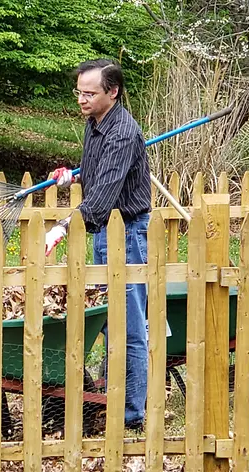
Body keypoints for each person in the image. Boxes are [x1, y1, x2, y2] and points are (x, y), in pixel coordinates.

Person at [44, 59, 153, 431]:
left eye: (90, 93)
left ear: (113, 92)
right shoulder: (95, 124)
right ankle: (114, 398)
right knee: (109, 321)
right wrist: (70, 175)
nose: (82, 100)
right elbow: (96, 173)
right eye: (79, 92)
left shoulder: (122, 132)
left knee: (129, 326)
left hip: (128, 233)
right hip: (107, 232)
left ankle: (131, 416)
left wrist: (61, 228)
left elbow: (103, 197)